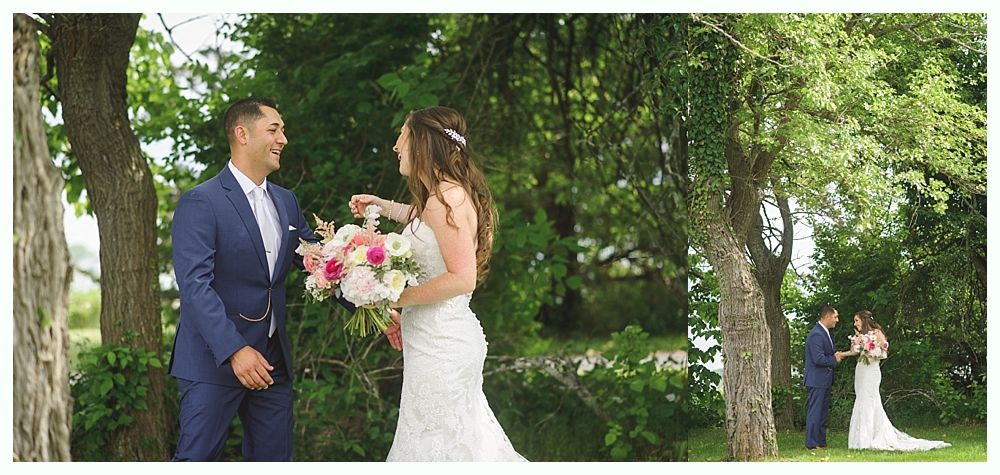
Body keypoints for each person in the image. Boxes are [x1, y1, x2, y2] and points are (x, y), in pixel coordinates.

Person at [170, 97, 348, 461]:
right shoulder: (201, 202)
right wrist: (235, 350)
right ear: (242, 134)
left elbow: (319, 264)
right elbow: (194, 286)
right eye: (274, 129)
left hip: (272, 364)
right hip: (212, 361)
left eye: (282, 130)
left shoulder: (286, 201)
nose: (284, 138)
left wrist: (373, 307)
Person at [350, 106, 526, 461]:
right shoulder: (441, 198)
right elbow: (423, 222)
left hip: (442, 345)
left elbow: (463, 278)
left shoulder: (448, 198)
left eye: (403, 135)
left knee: (441, 447)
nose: (397, 146)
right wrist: (382, 206)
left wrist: (394, 298)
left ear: (422, 143)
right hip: (433, 340)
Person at [845, 310, 950, 451]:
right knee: (861, 399)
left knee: (870, 400)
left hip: (872, 372)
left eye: (856, 320)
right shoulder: (859, 336)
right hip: (861, 370)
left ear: (864, 320)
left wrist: (870, 350)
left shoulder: (876, 333)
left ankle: (870, 438)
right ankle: (859, 439)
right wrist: (842, 353)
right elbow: (854, 352)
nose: (855, 323)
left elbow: (883, 353)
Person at [803, 304, 849, 450]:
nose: (837, 320)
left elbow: (829, 353)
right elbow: (818, 359)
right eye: (835, 317)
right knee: (815, 412)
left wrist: (837, 355)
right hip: (816, 380)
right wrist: (834, 360)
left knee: (822, 413)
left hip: (824, 379)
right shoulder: (816, 334)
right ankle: (811, 443)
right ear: (827, 316)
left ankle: (821, 442)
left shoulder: (825, 332)